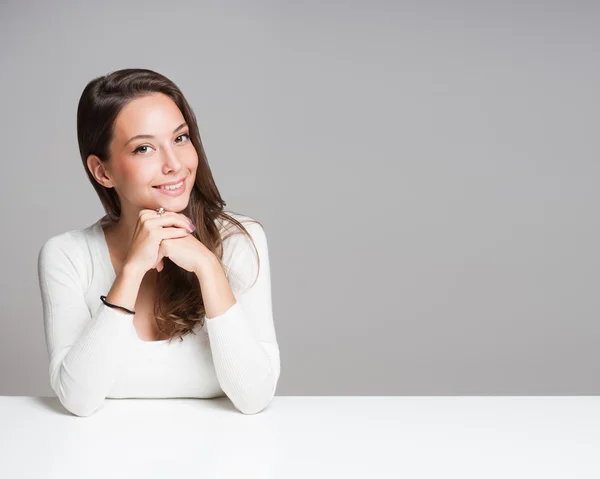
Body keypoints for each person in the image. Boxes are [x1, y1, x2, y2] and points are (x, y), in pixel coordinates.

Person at [36, 68, 280, 417]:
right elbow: (78, 400)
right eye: (144, 148)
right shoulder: (67, 256)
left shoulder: (241, 240)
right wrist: (132, 271)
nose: (174, 164)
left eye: (180, 139)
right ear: (102, 171)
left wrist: (209, 269)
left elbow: (253, 397)